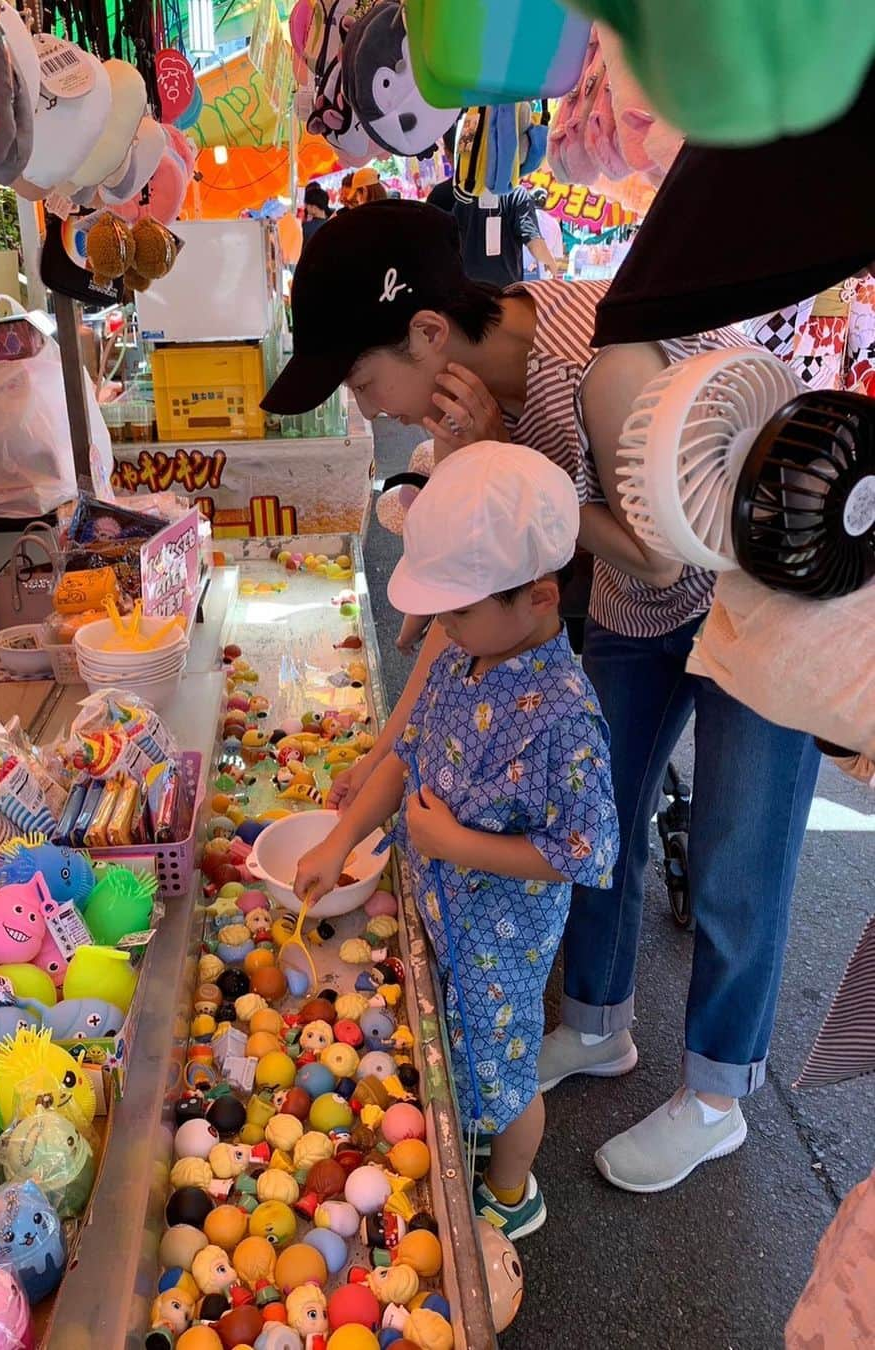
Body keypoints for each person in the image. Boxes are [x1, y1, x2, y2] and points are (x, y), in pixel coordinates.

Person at [261, 200, 821, 1193]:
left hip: (758, 595)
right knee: (606, 810)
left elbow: (654, 553)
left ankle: (717, 1094)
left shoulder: (599, 365)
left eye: (362, 379)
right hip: (642, 606)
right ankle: (598, 1026)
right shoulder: (465, 411)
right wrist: (379, 765)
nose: (368, 408)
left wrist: (518, 464)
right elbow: (459, 619)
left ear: (428, 334)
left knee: (740, 852)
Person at [294, 441, 619, 1239]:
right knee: (458, 1050)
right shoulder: (464, 657)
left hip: (501, 940)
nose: (441, 625)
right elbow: (406, 759)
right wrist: (341, 840)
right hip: (444, 911)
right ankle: (468, 1144)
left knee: (506, 1080)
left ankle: (513, 1195)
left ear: (540, 597)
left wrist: (458, 845)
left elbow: (588, 851)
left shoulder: (564, 717)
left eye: (459, 609)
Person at [427, 176, 561, 286]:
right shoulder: (517, 194)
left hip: (467, 290)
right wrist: (550, 263)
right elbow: (534, 243)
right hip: (505, 293)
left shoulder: (460, 193)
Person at [522, 186, 565, 280]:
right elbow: (558, 255)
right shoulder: (554, 223)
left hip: (521, 273)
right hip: (543, 278)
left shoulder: (525, 219)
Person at [302, 182, 332, 248]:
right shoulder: (333, 224)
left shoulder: (305, 228)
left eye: (307, 205)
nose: (305, 207)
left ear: (314, 207)